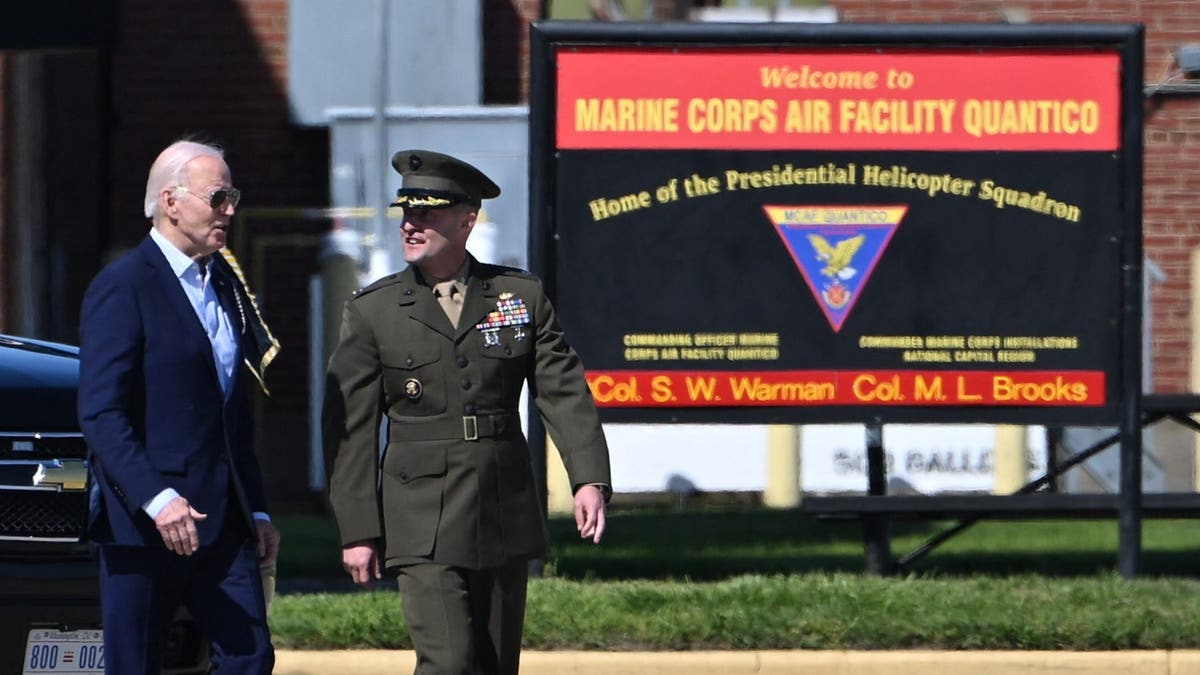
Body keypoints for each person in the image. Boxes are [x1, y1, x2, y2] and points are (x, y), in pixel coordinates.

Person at [324, 149, 612, 675]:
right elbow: (350, 431)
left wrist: (588, 478)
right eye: (407, 213)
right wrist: (358, 529)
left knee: (494, 665)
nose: (411, 225)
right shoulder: (374, 311)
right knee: (449, 663)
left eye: (428, 213)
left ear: (467, 220)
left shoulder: (518, 296)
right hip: (420, 514)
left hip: (500, 504)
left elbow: (562, 389)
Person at [78, 139, 280, 674]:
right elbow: (101, 412)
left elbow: (231, 415)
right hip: (144, 525)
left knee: (250, 657)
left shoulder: (225, 286)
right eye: (219, 197)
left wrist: (255, 507)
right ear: (171, 201)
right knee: (136, 662)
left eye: (232, 197)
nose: (230, 210)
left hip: (223, 520)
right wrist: (157, 498)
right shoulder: (123, 286)